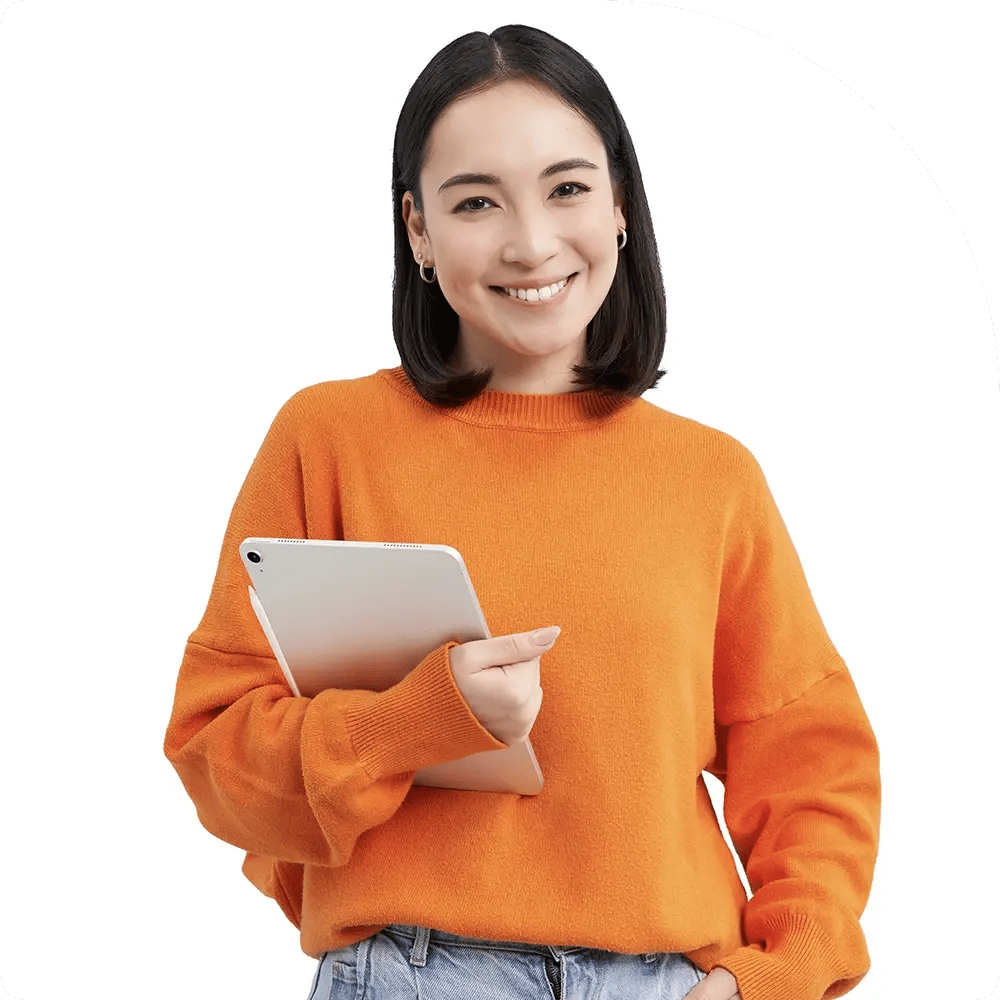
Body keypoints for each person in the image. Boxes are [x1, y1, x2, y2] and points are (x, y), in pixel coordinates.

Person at [163, 23, 880, 1000]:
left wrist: (773, 976)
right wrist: (420, 718)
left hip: (665, 983)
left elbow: (810, 769)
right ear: (416, 228)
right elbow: (216, 756)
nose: (532, 241)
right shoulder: (328, 438)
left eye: (568, 187)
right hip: (411, 974)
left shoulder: (712, 478)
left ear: (620, 204)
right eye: (474, 201)